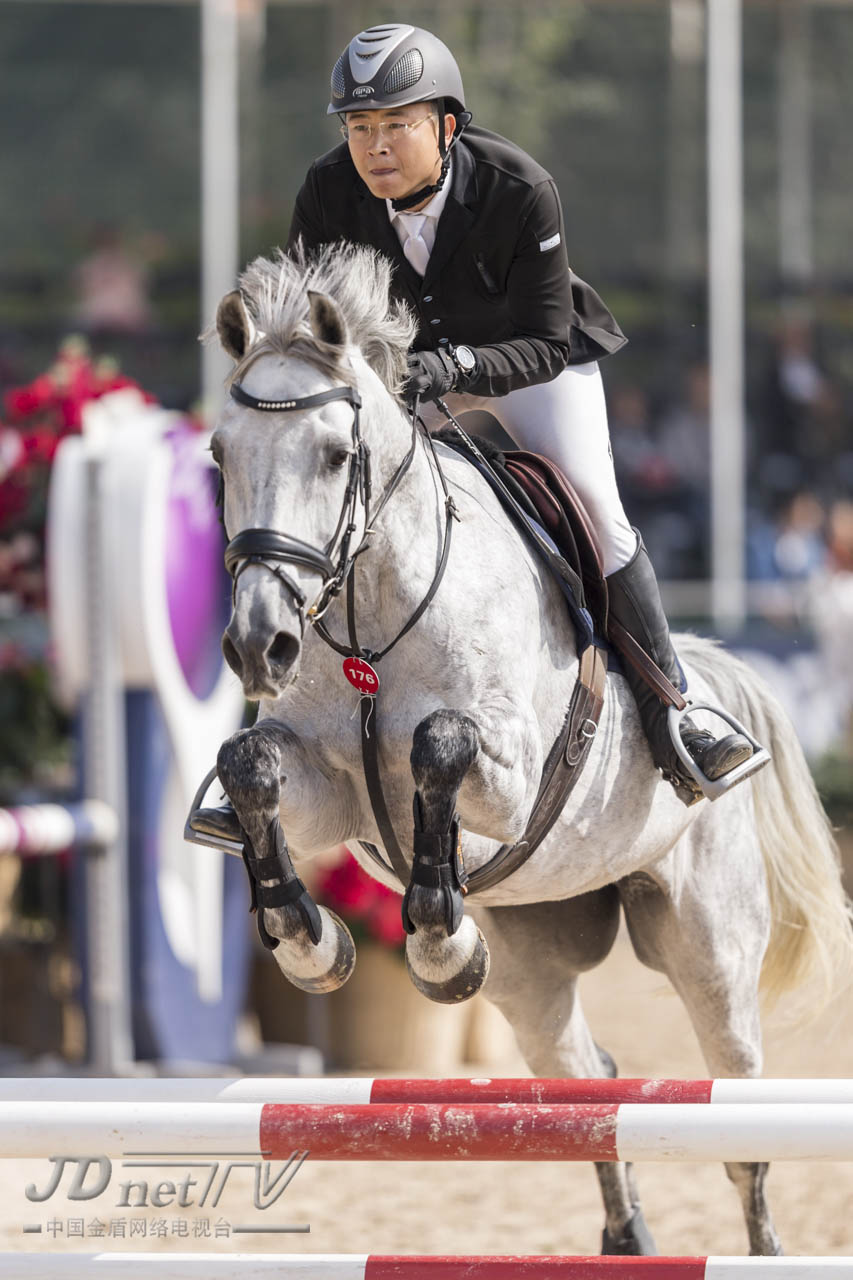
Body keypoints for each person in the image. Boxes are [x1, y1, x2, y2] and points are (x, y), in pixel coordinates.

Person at [280, 24, 762, 805]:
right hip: (404, 378)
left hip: (527, 365)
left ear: (445, 125)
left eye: (395, 125)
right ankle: (289, 713)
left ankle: (675, 707)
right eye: (358, 128)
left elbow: (542, 342)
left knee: (598, 517)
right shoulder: (326, 193)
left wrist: (452, 370)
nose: (374, 147)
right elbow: (312, 329)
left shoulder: (518, 187)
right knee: (332, 500)